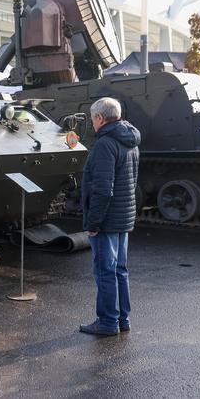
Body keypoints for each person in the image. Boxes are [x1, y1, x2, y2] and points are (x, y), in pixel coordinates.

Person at [79, 97, 140, 336]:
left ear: (100, 118)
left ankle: (107, 322)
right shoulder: (131, 140)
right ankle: (122, 319)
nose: (93, 123)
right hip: (123, 217)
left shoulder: (105, 144)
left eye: (93, 118)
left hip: (106, 220)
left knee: (105, 271)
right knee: (120, 270)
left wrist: (93, 223)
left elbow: (103, 189)